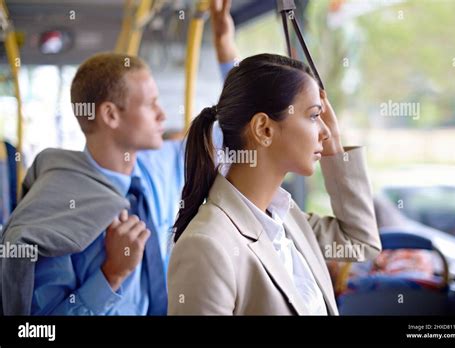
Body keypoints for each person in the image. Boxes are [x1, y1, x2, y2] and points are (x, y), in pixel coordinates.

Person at [0, 0, 237, 315]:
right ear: (110, 115)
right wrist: (112, 274)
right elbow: (41, 329)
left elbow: (233, 131)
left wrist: (225, 48)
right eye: (150, 103)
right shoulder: (54, 208)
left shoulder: (160, 166)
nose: (162, 114)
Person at [167, 53, 382, 315]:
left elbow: (361, 243)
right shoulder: (207, 245)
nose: (325, 132)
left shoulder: (287, 220)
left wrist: (336, 148)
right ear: (264, 129)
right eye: (314, 116)